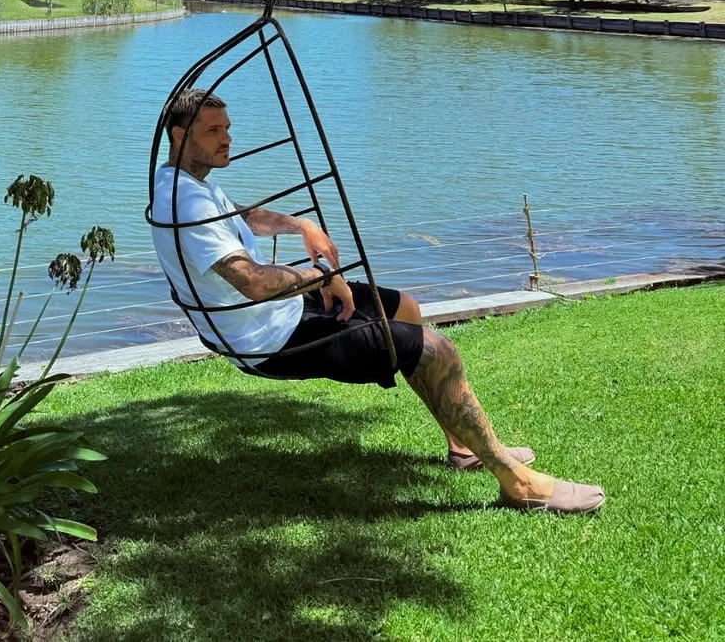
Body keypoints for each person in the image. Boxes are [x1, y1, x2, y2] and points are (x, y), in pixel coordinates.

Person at [150, 88, 604, 516]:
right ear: (179, 134)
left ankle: (464, 450)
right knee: (436, 350)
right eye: (213, 131)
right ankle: (519, 484)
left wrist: (300, 225)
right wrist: (322, 278)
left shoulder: (186, 184)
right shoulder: (186, 203)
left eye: (227, 127)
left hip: (279, 314)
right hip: (271, 338)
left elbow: (242, 216)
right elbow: (251, 281)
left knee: (404, 307)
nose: (227, 138)